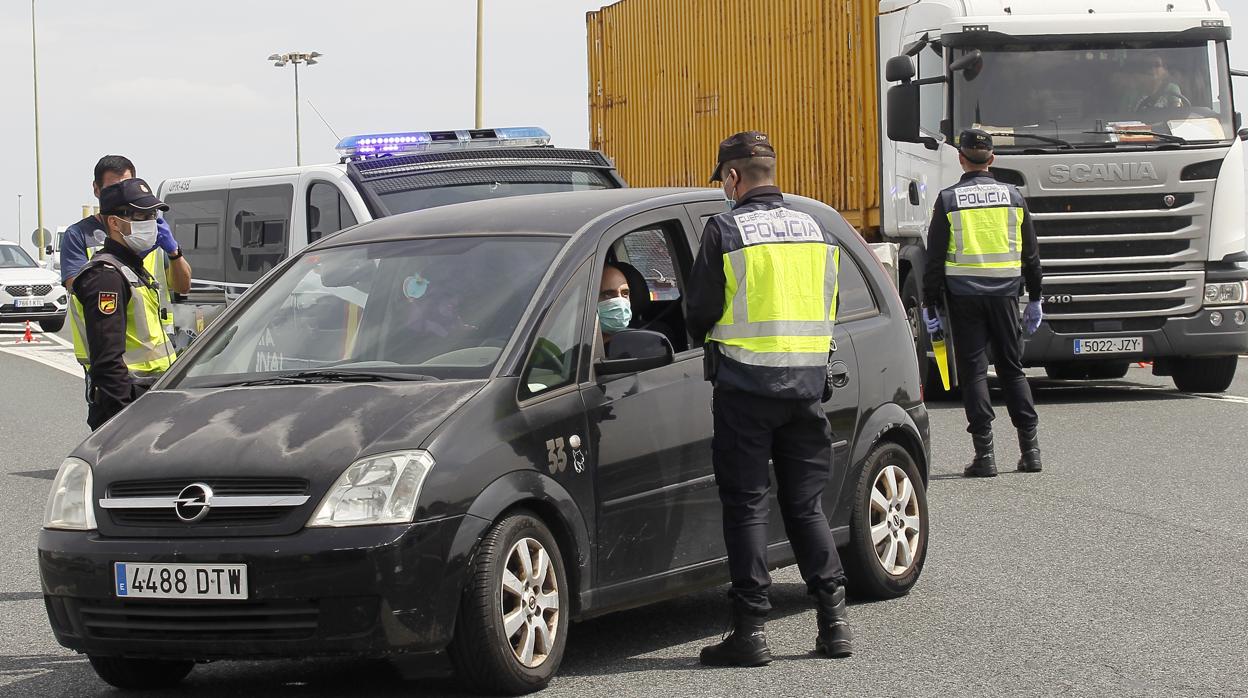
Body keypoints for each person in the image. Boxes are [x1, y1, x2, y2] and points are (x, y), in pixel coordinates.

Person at [685, 131, 852, 666]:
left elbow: (698, 314)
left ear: (733, 177)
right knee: (806, 507)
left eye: (724, 182)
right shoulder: (816, 228)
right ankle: (834, 625)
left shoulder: (725, 229)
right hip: (807, 391)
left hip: (745, 391)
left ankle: (751, 633)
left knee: (748, 506)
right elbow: (829, 305)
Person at [921, 129, 1044, 478]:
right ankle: (1030, 451)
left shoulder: (948, 199)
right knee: (1011, 368)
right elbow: (1031, 256)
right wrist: (1035, 297)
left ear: (961, 158)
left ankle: (985, 455)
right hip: (1005, 294)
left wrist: (930, 305)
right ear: (992, 159)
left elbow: (934, 260)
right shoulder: (1013, 197)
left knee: (974, 373)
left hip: (964, 297)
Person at [63, 156, 190, 367]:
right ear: (97, 190)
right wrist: (127, 258)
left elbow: (183, 287)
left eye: (127, 185)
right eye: (113, 188)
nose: (122, 194)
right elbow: (77, 289)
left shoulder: (150, 230)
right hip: (115, 362)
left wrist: (174, 252)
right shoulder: (79, 234)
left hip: (160, 358)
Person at [73, 179, 178, 430]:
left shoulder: (132, 268)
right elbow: (107, 363)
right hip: (127, 406)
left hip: (150, 397)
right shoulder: (105, 276)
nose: (151, 222)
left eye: (152, 215)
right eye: (141, 216)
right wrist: (125, 422)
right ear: (114, 222)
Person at [598, 263, 631, 347]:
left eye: (625, 293)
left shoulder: (640, 343)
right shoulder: (573, 342)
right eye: (608, 294)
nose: (620, 301)